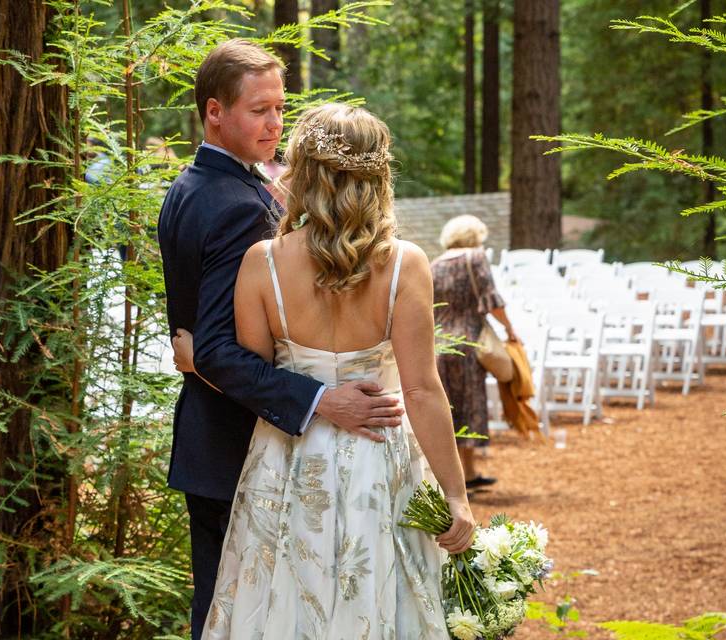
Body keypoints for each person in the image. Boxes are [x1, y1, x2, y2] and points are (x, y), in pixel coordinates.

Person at [156, 40, 404, 640]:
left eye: (280, 109)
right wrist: (322, 400)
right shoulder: (237, 207)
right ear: (214, 111)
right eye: (259, 110)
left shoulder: (191, 187)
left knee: (228, 613)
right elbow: (215, 347)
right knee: (241, 614)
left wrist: (195, 355)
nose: (275, 124)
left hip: (208, 441)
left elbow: (201, 339)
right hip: (237, 442)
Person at [201, 104, 475, 639]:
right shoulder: (405, 263)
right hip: (378, 458)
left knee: (279, 601)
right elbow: (421, 389)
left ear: (301, 171)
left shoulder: (262, 262)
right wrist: (456, 495)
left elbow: (255, 379)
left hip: (285, 458)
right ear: (379, 175)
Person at [431, 215, 518, 489]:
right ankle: (464, 475)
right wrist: (510, 330)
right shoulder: (475, 257)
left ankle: (461, 475)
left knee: (447, 410)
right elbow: (491, 298)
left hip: (439, 343)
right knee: (470, 406)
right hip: (469, 344)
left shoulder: (434, 264)